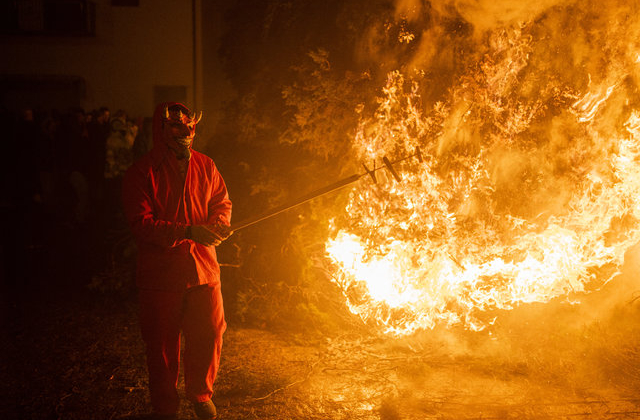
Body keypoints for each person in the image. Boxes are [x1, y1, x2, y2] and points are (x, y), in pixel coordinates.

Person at [122, 102, 232, 420]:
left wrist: (218, 223)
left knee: (210, 331)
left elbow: (221, 201)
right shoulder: (142, 172)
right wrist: (187, 231)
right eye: (175, 127)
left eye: (188, 127)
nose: (184, 132)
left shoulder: (206, 165)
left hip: (203, 268)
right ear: (160, 129)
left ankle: (200, 393)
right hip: (161, 273)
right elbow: (141, 224)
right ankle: (165, 407)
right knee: (161, 345)